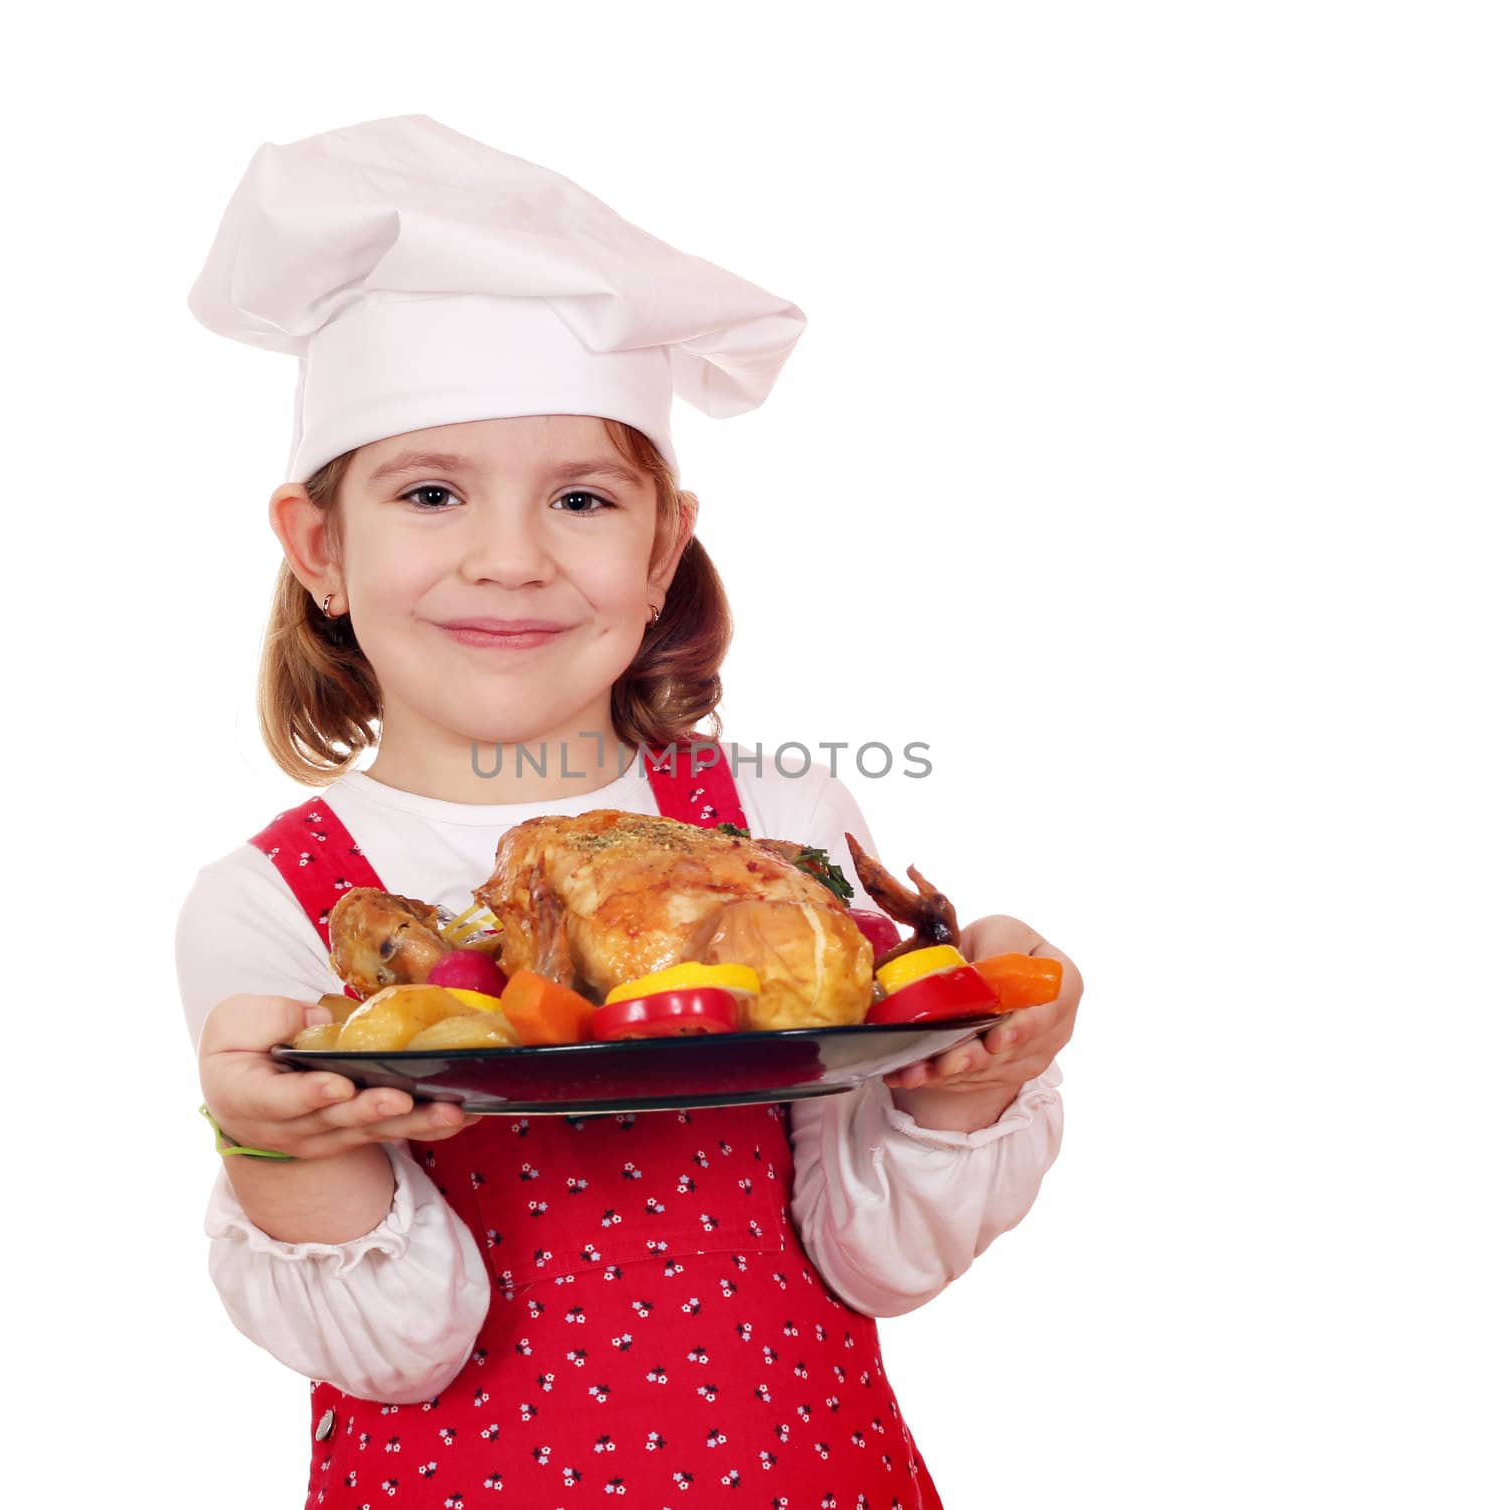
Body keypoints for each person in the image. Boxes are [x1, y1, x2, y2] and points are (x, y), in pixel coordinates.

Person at [177, 114, 1081, 1508]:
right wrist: (279, 1145)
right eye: (431, 491)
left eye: (583, 498)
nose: (510, 557)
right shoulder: (283, 901)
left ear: (660, 550)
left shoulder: (777, 822)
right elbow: (406, 1347)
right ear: (321, 550)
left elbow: (883, 1260)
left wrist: (967, 1077)